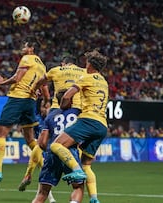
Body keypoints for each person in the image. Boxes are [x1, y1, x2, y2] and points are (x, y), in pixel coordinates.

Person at [0, 37, 49, 182]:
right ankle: (46, 169)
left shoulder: (26, 58)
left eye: (25, 46)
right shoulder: (42, 66)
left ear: (31, 48)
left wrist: (2, 82)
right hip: (31, 102)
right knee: (30, 139)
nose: (22, 48)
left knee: (1, 133)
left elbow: (17, 78)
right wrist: (46, 101)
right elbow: (44, 87)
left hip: (17, 98)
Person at [50, 49, 109, 203]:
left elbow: (67, 95)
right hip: (102, 126)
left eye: (86, 61)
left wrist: (63, 107)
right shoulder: (104, 81)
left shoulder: (86, 78)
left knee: (56, 145)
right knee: (87, 164)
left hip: (88, 120)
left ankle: (76, 171)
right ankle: (94, 198)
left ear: (90, 64)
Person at [18, 55, 85, 191]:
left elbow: (41, 80)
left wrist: (35, 90)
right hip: (77, 110)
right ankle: (79, 172)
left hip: (57, 110)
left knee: (43, 143)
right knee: (73, 144)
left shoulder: (56, 70)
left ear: (63, 63)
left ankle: (29, 174)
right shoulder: (84, 72)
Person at [32, 89, 84, 203]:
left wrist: (50, 152)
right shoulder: (78, 112)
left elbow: (42, 143)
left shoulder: (50, 116)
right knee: (78, 187)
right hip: (70, 152)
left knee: (43, 193)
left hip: (52, 152)